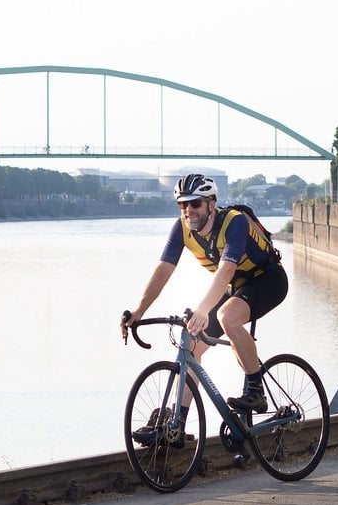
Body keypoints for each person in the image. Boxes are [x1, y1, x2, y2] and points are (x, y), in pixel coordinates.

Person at [121, 174, 288, 437]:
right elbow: (163, 270)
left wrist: (201, 310)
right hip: (237, 286)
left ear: (211, 203)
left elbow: (226, 269)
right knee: (195, 343)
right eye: (182, 204)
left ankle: (256, 391)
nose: (188, 210)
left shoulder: (233, 222)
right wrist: (139, 311)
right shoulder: (182, 229)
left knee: (227, 316)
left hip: (268, 280)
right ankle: (177, 427)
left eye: (195, 203)